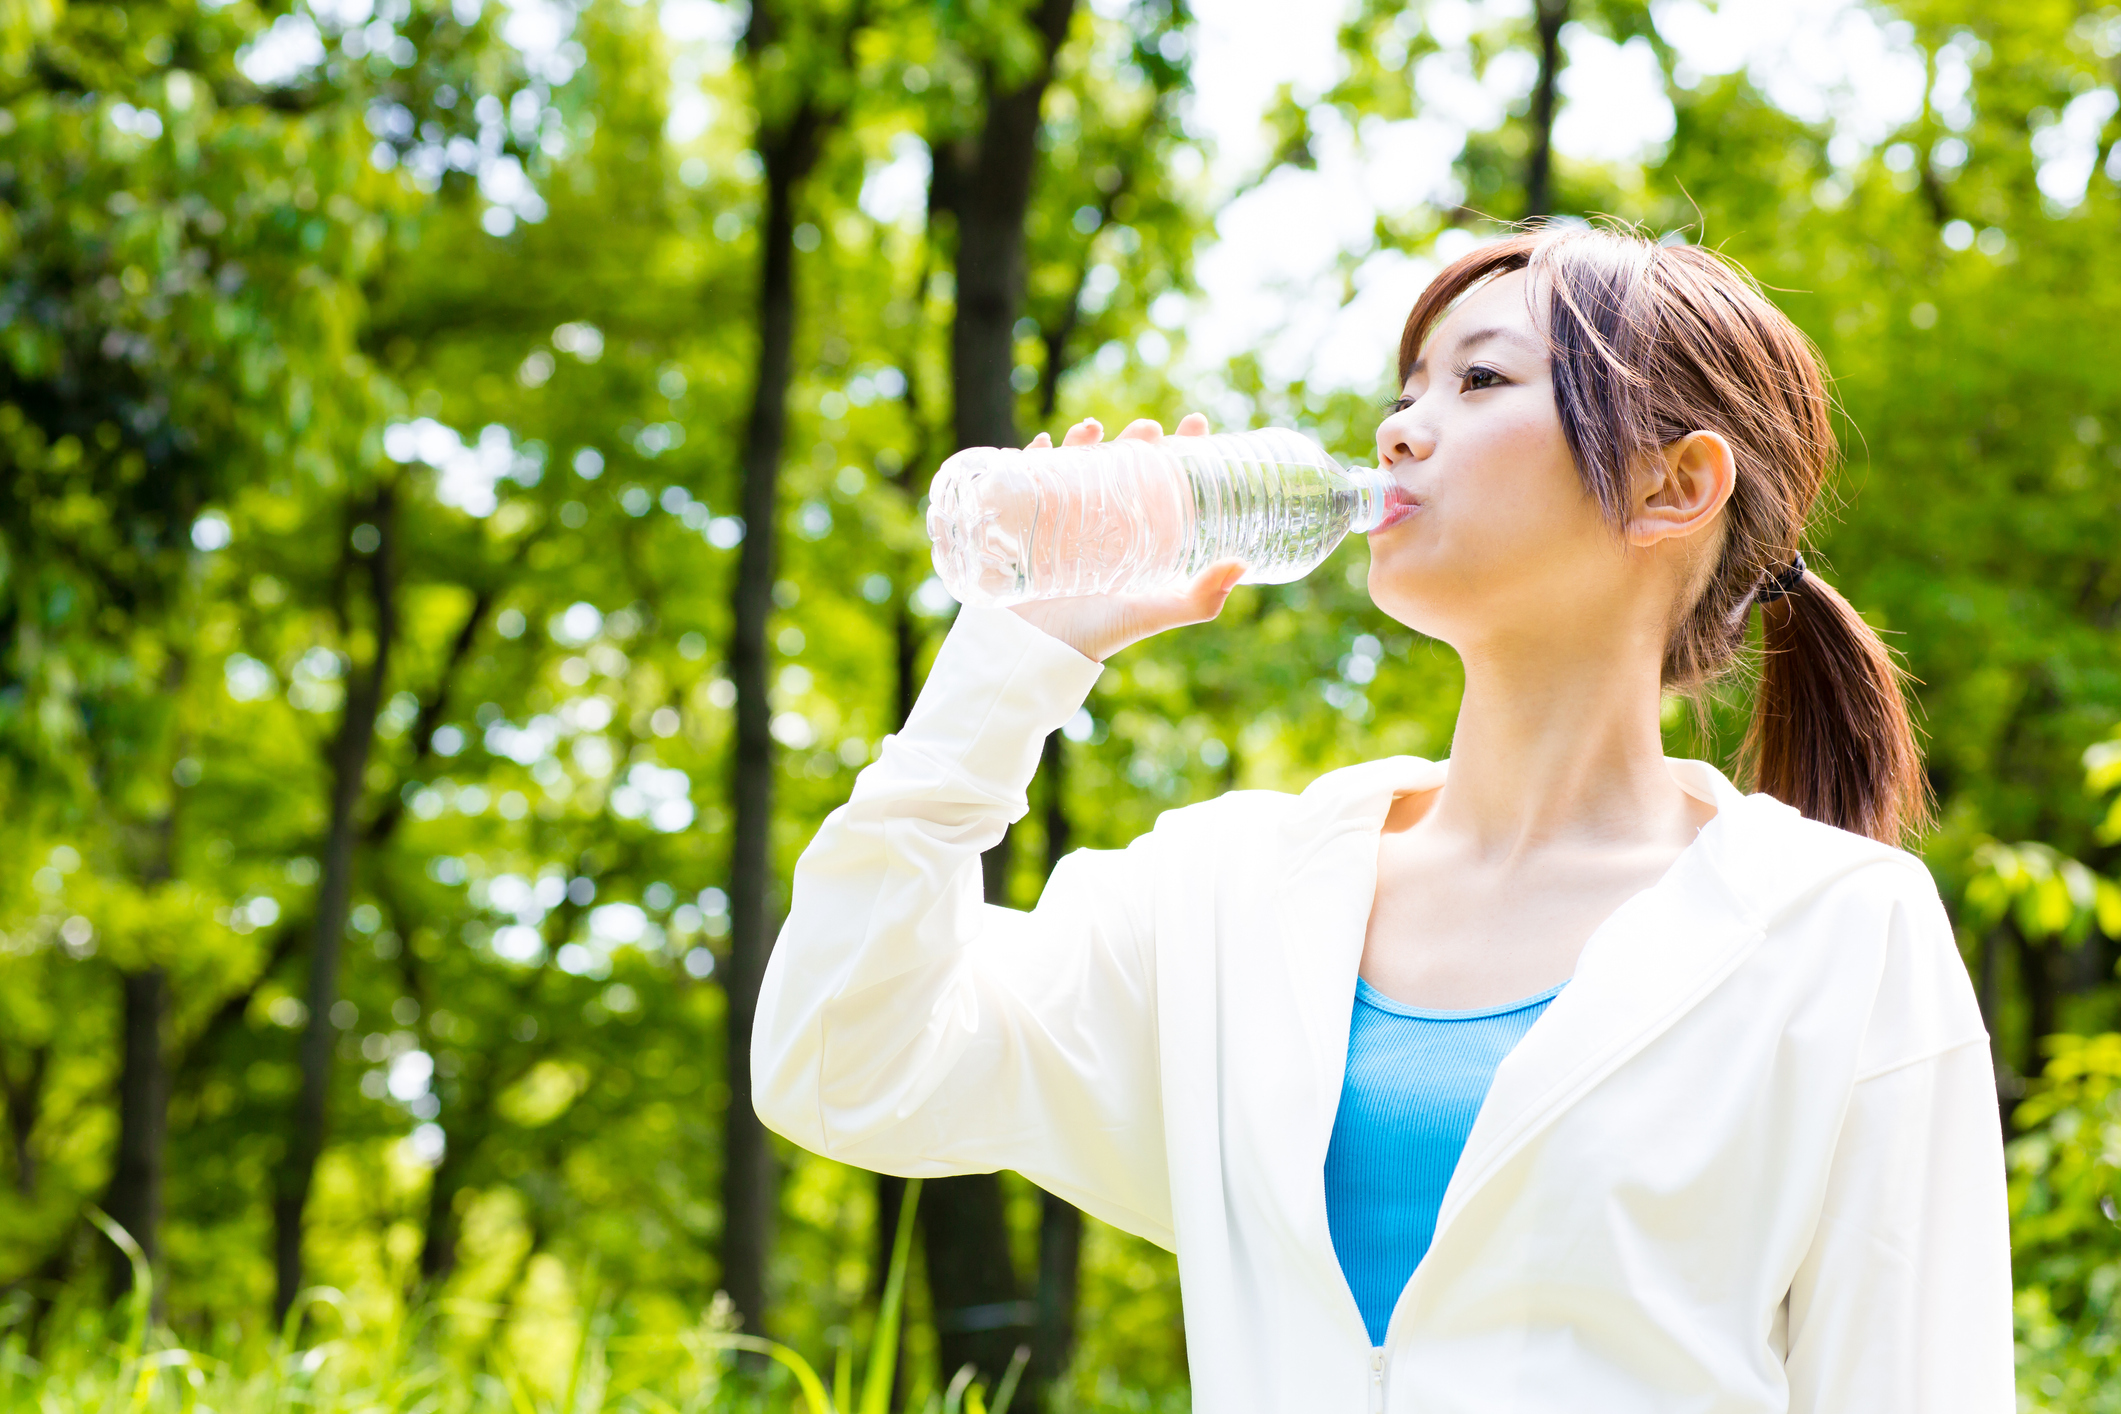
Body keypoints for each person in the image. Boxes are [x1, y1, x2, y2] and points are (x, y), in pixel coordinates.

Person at [752, 225, 2011, 1412]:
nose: (1402, 429)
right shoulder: (1230, 892)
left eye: (1478, 380)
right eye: (1408, 388)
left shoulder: (1834, 929)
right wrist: (1011, 666)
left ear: (1673, 483)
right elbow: (844, 1066)